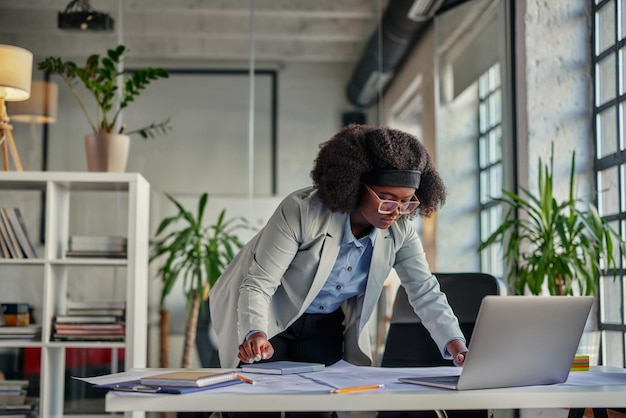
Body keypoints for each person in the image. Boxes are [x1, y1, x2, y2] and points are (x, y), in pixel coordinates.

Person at [210, 124, 467, 416]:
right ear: (356, 184)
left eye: (407, 201)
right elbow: (259, 282)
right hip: (269, 317)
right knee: (252, 407)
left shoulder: (400, 232)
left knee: (320, 408)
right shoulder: (302, 211)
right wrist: (255, 333)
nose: (396, 211)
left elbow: (424, 291)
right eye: (387, 198)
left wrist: (456, 344)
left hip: (323, 324)